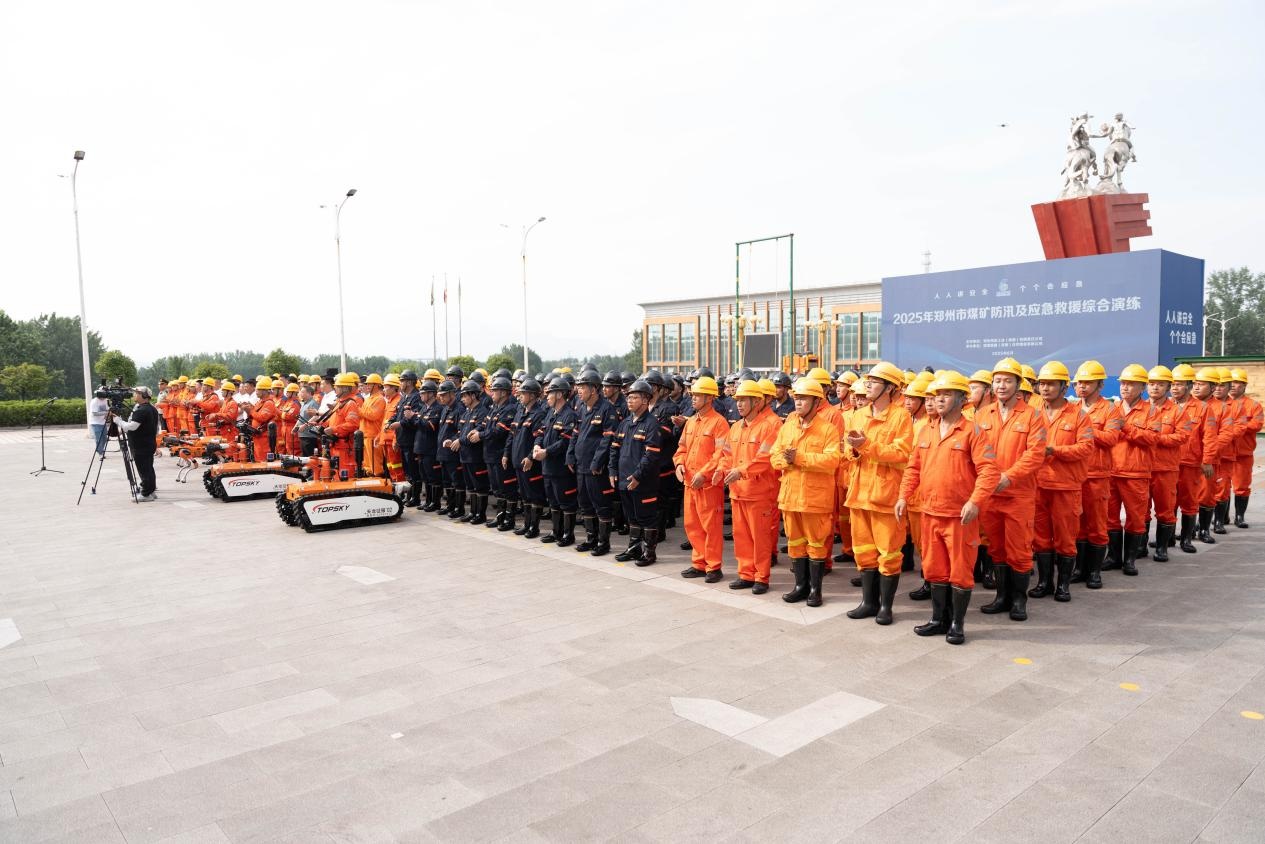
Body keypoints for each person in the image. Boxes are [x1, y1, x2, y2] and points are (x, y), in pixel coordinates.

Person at [897, 371, 999, 645]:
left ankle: (957, 624)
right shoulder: (926, 430)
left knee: (960, 571)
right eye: (936, 395)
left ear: (962, 399)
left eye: (946, 395)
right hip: (930, 513)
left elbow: (988, 471)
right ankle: (938, 619)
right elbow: (913, 468)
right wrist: (904, 496)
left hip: (959, 517)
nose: (939, 400)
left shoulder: (973, 432)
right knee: (934, 569)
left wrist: (975, 501)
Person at [975, 357, 1047, 621]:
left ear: (1018, 385)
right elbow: (975, 451)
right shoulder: (982, 415)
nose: (1001, 385)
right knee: (996, 548)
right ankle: (1001, 597)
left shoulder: (1033, 415)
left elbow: (1035, 454)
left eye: (1007, 381)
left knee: (1019, 549)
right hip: (990, 494)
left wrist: (1009, 476)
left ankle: (1019, 601)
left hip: (1019, 495)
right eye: (997, 381)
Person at [843, 362, 913, 624]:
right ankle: (868, 602)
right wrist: (853, 448)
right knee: (863, 552)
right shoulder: (858, 414)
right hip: (859, 493)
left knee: (889, 553)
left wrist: (866, 445)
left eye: (874, 381)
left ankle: (886, 607)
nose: (868, 385)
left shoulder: (901, 416)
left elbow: (901, 453)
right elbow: (847, 450)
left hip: (885, 496)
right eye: (868, 380)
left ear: (890, 388)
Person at [771, 378, 842, 606]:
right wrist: (787, 460)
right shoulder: (788, 426)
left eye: (803, 398)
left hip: (815, 498)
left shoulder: (827, 429)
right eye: (797, 398)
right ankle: (800, 587)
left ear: (816, 402)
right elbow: (774, 457)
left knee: (816, 544)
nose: (798, 402)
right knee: (795, 543)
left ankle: (815, 590)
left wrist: (799, 458)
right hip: (791, 496)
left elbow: (832, 460)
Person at [1029, 362, 1094, 601]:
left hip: (1066, 486)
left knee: (1066, 538)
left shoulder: (1079, 416)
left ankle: (1063, 585)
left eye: (1051, 384)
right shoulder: (1033, 413)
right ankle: (1044, 582)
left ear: (1064, 387)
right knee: (1040, 537)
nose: (1045, 388)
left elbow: (1086, 448)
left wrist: (1054, 450)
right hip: (1038, 485)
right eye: (1042, 384)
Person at [718, 379, 781, 592]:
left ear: (756, 402)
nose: (739, 404)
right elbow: (726, 455)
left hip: (759, 492)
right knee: (742, 536)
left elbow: (764, 459)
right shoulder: (735, 427)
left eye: (744, 400)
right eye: (738, 400)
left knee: (760, 537)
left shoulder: (769, 427)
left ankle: (761, 577)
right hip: (738, 492)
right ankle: (746, 574)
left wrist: (741, 471)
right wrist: (721, 469)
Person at [673, 375, 730, 580]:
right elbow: (681, 448)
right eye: (692, 394)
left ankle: (713, 567)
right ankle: (699, 563)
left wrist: (704, 473)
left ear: (709, 398)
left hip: (708, 486)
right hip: (690, 483)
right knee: (692, 525)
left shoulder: (719, 423)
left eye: (697, 395)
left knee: (710, 527)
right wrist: (679, 464)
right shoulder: (690, 423)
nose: (693, 398)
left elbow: (721, 454)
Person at [1108, 364, 1159, 576]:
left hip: (1136, 473)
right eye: (1123, 384)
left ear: (1142, 387)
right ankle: (1114, 557)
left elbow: (1152, 438)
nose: (1125, 387)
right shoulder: (1112, 408)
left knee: (1135, 517)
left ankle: (1129, 560)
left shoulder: (1152, 411)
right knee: (1110, 517)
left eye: (1130, 384)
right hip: (1111, 471)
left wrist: (1126, 427)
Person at [609, 379, 662, 564]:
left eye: (634, 397)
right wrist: (612, 470)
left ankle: (649, 552)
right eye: (628, 397)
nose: (629, 401)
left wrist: (638, 475)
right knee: (631, 517)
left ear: (645, 400)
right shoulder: (625, 423)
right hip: (625, 479)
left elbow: (651, 455)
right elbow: (614, 447)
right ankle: (634, 548)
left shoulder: (651, 424)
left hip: (643, 482)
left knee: (647, 517)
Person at [1145, 366, 1192, 562]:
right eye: (1152, 384)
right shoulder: (1141, 409)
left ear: (1168, 387)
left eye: (1160, 384)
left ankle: (1162, 547)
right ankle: (1140, 546)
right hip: (1142, 468)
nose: (1155, 388)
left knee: (1165, 509)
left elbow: (1183, 436)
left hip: (1165, 469)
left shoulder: (1177, 412)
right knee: (1141, 510)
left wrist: (1156, 439)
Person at [567, 370, 617, 556]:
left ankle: (603, 543)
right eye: (578, 387)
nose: (579, 390)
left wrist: (597, 462)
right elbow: (575, 433)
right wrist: (570, 455)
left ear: (594, 389)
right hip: (581, 465)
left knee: (601, 505)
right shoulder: (581, 407)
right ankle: (591, 539)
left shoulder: (607, 409)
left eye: (582, 387)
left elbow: (608, 439)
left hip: (597, 468)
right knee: (585, 503)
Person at [535, 377, 579, 546]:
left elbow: (565, 441)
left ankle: (568, 534)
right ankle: (556, 531)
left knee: (566, 501)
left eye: (550, 393)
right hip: (548, 466)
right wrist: (537, 446)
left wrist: (546, 451)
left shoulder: (569, 415)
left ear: (560, 394)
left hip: (561, 468)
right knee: (553, 500)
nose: (547, 396)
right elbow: (540, 432)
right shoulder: (550, 413)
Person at [508, 377, 549, 539]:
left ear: (532, 395)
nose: (519, 396)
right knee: (524, 494)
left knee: (534, 495)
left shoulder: (539, 414)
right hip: (518, 459)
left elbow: (539, 439)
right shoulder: (520, 412)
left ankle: (534, 527)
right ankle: (526, 524)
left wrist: (531, 457)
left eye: (523, 393)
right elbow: (512, 435)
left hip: (530, 462)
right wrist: (506, 454)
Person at [1228, 368, 1263, 527]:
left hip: (1243, 454)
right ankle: (1222, 517)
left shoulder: (1254, 405)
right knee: (1220, 486)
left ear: (1244, 386)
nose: (1233, 386)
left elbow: (1257, 424)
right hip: (1223, 453)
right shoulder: (1221, 403)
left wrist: (1238, 426)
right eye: (1231, 382)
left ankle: (1239, 517)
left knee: (1241, 486)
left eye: (1237, 383)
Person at [457, 380, 492, 524]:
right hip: (465, 455)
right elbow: (460, 431)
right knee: (470, 486)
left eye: (465, 396)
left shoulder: (482, 412)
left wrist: (460, 441)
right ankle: (472, 512)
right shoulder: (466, 413)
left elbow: (474, 434)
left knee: (480, 486)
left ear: (473, 395)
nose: (462, 399)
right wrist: (454, 440)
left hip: (476, 456)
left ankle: (480, 514)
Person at [117, 386, 160, 501]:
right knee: (148, 468)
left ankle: (146, 494)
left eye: (137, 393)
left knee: (144, 470)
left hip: (141, 445)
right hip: (147, 444)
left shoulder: (142, 410)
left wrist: (118, 421)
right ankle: (150, 490)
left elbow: (132, 427)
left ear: (144, 396)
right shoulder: (151, 408)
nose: (134, 395)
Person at [358, 374, 388, 477]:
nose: (367, 386)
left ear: (376, 385)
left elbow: (373, 415)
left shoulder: (380, 399)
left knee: (375, 465)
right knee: (367, 465)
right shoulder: (368, 399)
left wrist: (358, 410)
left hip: (373, 436)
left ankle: (378, 481)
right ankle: (370, 480)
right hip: (365, 434)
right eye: (367, 384)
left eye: (369, 384)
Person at [89, 389, 110, 455]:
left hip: (103, 422)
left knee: (104, 438)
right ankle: (100, 452)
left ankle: (100, 450)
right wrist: (106, 413)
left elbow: (107, 409)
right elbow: (94, 413)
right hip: (95, 423)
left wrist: (108, 414)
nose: (103, 398)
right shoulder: (94, 402)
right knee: (99, 439)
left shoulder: (105, 400)